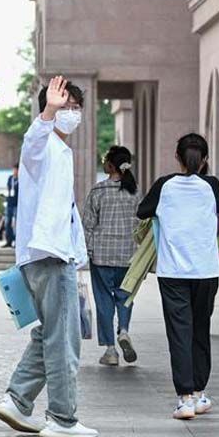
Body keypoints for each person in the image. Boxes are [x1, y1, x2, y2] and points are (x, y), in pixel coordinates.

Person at [0, 76, 99, 437]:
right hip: (49, 257)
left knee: (49, 334)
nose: (73, 114)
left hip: (47, 256)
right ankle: (62, 419)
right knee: (64, 338)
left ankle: (17, 400)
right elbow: (32, 141)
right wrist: (49, 111)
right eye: (66, 107)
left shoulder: (60, 151)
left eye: (75, 108)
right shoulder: (44, 145)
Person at [137, 134, 219, 420]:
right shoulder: (211, 185)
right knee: (200, 330)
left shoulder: (164, 185)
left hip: (173, 272)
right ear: (204, 160)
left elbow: (143, 211)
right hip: (206, 271)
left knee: (180, 332)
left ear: (177, 157)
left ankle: (185, 399)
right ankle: (201, 394)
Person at [82, 146, 140, 367]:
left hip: (101, 256)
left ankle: (110, 350)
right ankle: (124, 330)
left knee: (104, 300)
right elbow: (142, 225)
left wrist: (87, 250)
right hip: (128, 256)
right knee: (125, 297)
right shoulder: (135, 192)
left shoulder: (98, 191)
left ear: (110, 166)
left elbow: (87, 225)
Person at [4, 164, 19, 247]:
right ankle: (8, 240)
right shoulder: (10, 178)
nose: (14, 171)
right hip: (9, 202)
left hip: (17, 203)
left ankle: (16, 240)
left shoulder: (21, 179)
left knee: (16, 223)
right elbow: (8, 187)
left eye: (16, 170)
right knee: (8, 222)